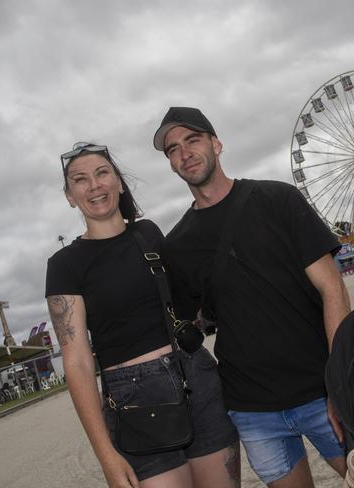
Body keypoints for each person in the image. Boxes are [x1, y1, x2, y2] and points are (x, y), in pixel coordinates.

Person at [153, 107, 350, 487]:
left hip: (320, 388)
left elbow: (333, 289)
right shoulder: (177, 245)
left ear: (216, 143)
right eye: (173, 149)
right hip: (252, 408)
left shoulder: (277, 199)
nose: (185, 153)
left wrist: (341, 381)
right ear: (172, 164)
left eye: (192, 140)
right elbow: (180, 325)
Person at [45, 142, 240, 488]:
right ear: (70, 196)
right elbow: (76, 362)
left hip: (195, 376)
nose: (95, 185)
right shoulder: (64, 265)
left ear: (119, 182)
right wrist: (106, 454)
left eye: (103, 173)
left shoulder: (148, 234)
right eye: (80, 180)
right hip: (135, 402)